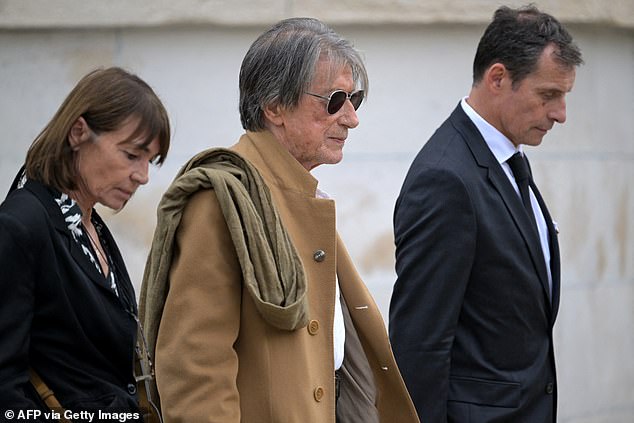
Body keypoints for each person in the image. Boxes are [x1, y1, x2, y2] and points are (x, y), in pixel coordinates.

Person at [140, 17, 419, 423]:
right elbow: (195, 370)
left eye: (353, 100)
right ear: (274, 107)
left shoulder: (300, 193)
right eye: (334, 100)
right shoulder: (222, 199)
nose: (351, 118)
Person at [389, 5, 583, 422]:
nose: (560, 114)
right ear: (498, 78)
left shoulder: (508, 156)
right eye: (548, 95)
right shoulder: (445, 178)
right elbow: (419, 345)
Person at [0, 67, 171, 418]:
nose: (143, 175)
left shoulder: (90, 224)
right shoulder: (20, 225)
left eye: (149, 160)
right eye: (131, 155)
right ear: (79, 132)